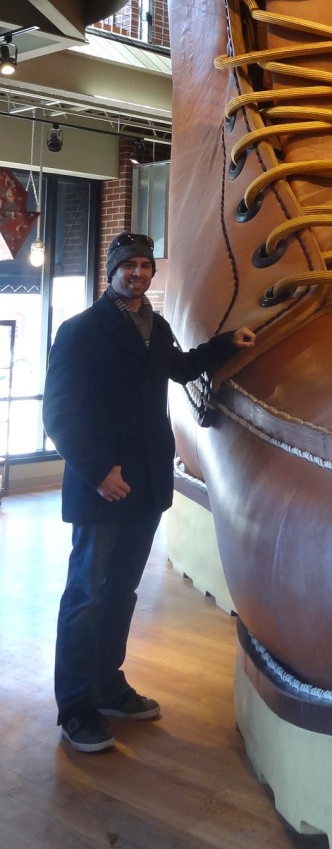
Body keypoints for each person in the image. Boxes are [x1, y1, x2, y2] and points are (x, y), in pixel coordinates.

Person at [42, 231, 255, 754]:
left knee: (120, 592)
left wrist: (228, 344)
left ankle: (108, 686)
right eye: (128, 265)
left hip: (148, 482)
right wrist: (96, 471)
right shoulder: (80, 331)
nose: (138, 273)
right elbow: (58, 414)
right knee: (86, 596)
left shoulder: (155, 328)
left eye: (144, 265)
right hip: (104, 487)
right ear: (111, 271)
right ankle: (76, 707)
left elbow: (179, 370)